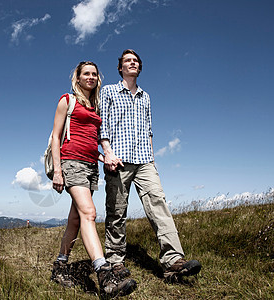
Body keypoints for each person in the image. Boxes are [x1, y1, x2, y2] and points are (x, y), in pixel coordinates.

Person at [99, 49, 202, 281]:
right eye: (128, 61)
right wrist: (107, 153)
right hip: (118, 159)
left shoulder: (146, 96)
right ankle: (115, 261)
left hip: (145, 159)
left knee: (159, 203)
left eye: (135, 61)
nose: (132, 63)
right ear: (120, 67)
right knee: (116, 210)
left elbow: (149, 130)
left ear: (139, 67)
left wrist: (153, 160)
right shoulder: (109, 91)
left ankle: (173, 260)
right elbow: (102, 126)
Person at [50, 61, 137, 298]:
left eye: (94, 74)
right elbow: (56, 138)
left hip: (90, 166)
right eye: (85, 73)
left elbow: (91, 143)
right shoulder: (67, 100)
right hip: (71, 163)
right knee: (89, 213)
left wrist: (105, 158)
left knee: (76, 219)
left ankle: (60, 266)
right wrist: (58, 171)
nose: (90, 77)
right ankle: (104, 276)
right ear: (77, 78)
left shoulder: (95, 106)